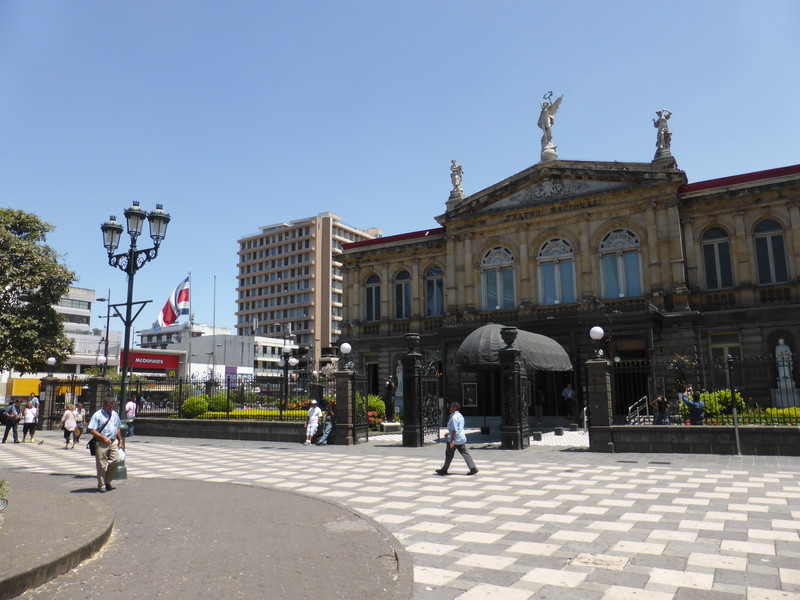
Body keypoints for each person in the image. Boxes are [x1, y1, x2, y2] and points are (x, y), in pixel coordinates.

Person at [88, 400, 123, 492]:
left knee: (116, 460)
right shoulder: (97, 415)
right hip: (101, 442)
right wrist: (103, 438)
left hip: (113, 441)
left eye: (112, 407)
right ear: (104, 405)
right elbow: (91, 429)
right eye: (109, 407)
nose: (110, 409)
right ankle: (102, 485)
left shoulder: (114, 414)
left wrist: (120, 440)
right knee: (101, 465)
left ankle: (107, 480)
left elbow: (117, 427)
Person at [436, 402, 478, 476]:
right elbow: (458, 428)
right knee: (465, 453)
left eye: (451, 407)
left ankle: (444, 469)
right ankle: (473, 468)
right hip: (461, 438)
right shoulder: (460, 416)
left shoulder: (454, 417)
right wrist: (449, 433)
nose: (450, 408)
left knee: (449, 454)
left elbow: (455, 429)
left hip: (455, 439)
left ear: (454, 408)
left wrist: (452, 440)